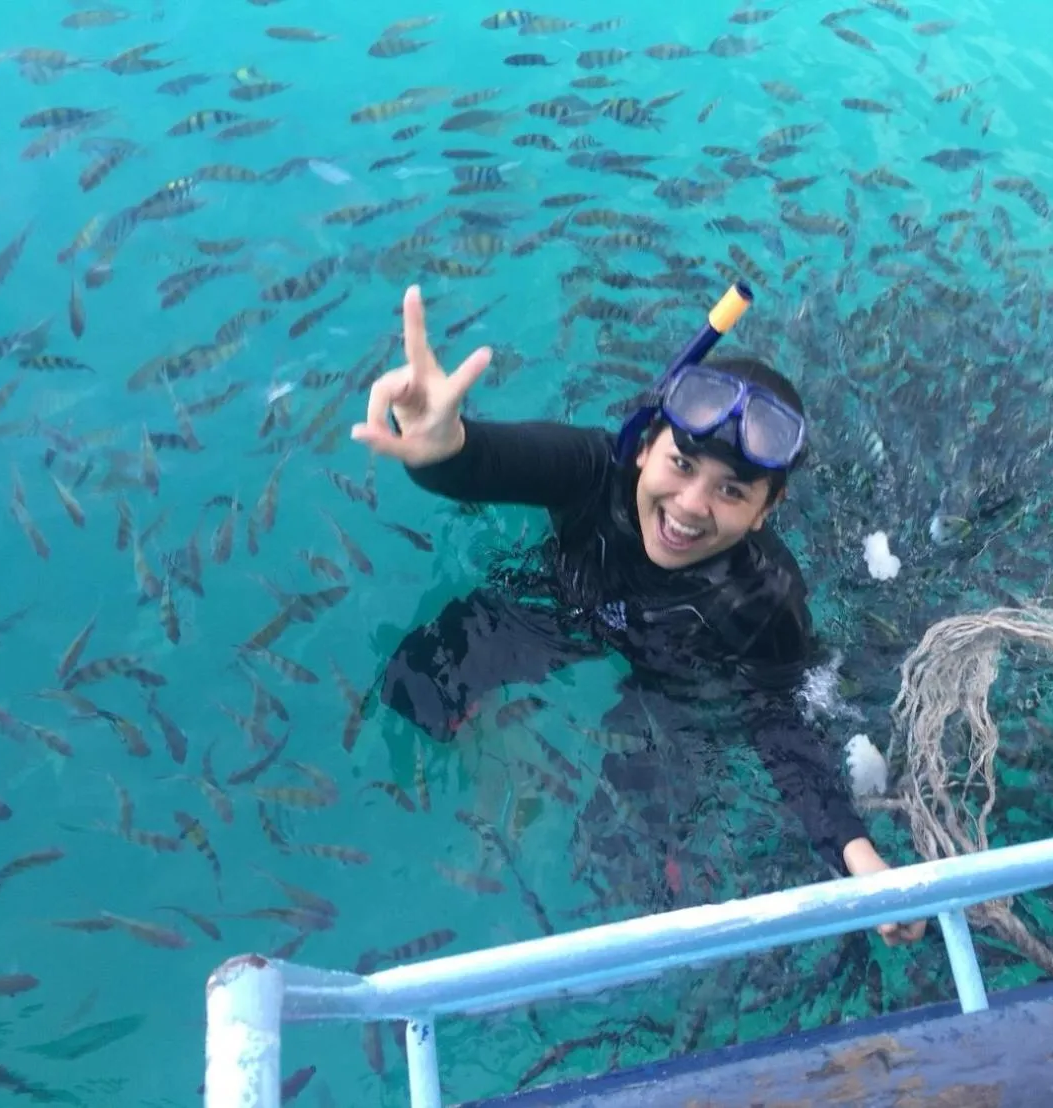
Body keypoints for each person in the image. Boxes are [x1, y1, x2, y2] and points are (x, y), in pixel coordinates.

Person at [352, 286, 926, 946]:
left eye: (731, 491)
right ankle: (497, 750)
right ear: (645, 446)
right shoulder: (592, 470)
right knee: (412, 682)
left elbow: (778, 724)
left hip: (678, 684)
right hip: (558, 609)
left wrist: (858, 856)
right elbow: (481, 461)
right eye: (680, 464)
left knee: (623, 863)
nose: (689, 506)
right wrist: (438, 447)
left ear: (767, 510)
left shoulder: (764, 599)